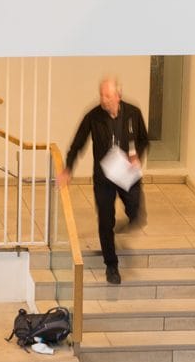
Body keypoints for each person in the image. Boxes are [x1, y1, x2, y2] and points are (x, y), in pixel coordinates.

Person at [57, 77, 150, 285]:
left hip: (126, 171)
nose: (103, 99)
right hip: (104, 177)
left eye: (107, 95)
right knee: (105, 221)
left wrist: (137, 156)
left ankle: (126, 223)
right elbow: (78, 143)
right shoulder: (93, 116)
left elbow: (144, 139)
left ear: (118, 96)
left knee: (137, 214)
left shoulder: (133, 113)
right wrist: (68, 168)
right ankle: (111, 266)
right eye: (101, 95)